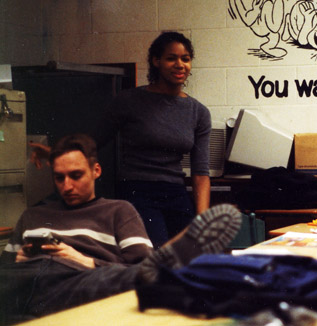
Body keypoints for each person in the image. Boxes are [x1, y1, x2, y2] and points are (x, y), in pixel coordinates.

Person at [1, 134, 242, 324]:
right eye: (59, 178)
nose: (67, 186)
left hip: (77, 280)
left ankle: (166, 265)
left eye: (76, 176)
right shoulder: (32, 214)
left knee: (127, 276)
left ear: (96, 171)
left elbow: (137, 265)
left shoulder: (119, 211)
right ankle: (166, 269)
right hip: (21, 281)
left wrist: (86, 262)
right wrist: (19, 261)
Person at [30, 31, 212, 249]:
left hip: (175, 193)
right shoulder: (129, 101)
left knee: (193, 257)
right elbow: (91, 144)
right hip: (138, 192)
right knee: (158, 257)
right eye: (171, 58)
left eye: (185, 59)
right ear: (156, 61)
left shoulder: (198, 112)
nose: (180, 64)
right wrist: (54, 153)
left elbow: (201, 173)